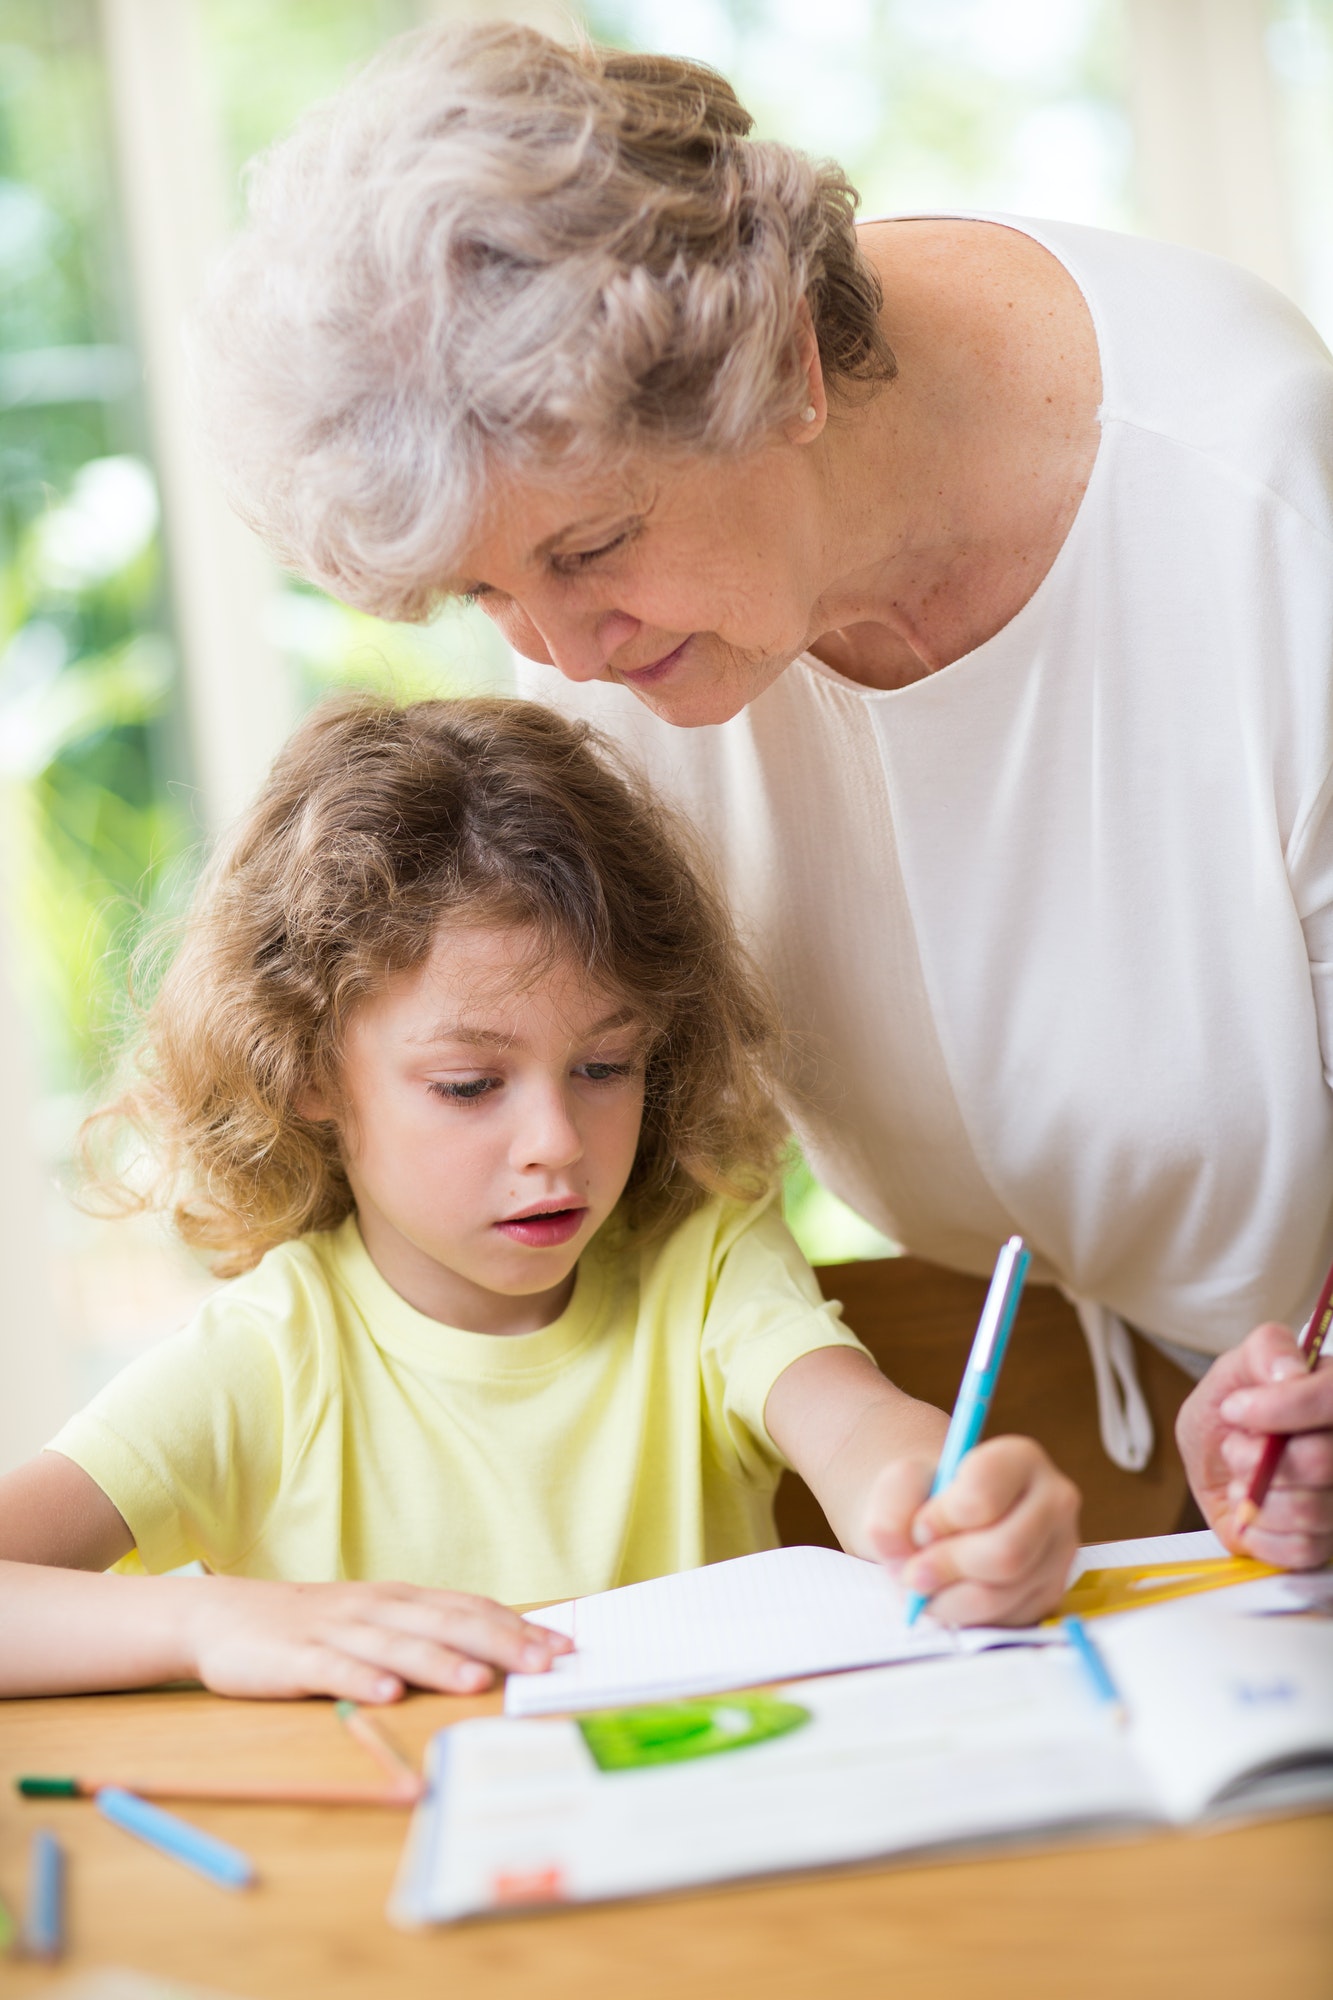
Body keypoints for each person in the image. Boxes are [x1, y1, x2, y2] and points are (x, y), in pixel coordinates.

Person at [188, 23, 1333, 1571]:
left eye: (590, 552)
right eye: (483, 589)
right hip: (1060, 1417)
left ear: (786, 361)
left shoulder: (1255, 498)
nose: (558, 654)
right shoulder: (607, 615)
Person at [0, 695, 1079, 1701]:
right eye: (469, 1085)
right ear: (308, 1073)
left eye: (606, 1065)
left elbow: (857, 1431)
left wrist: (942, 1501)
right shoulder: (272, 1357)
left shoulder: (697, 1251)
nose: (557, 1141)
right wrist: (211, 1623)